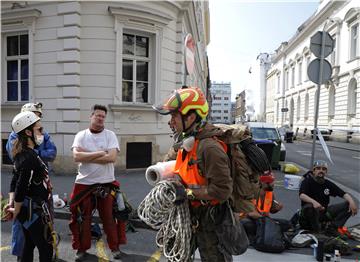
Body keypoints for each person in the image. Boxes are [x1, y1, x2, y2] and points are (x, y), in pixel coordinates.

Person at [153, 86, 234, 261]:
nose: (170, 121)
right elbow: (175, 168)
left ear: (190, 117)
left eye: (174, 116)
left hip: (210, 219)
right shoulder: (184, 141)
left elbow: (222, 191)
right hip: (186, 214)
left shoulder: (210, 148)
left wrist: (188, 193)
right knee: (176, 257)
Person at [69, 104, 126, 262]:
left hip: (106, 183)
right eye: (98, 115)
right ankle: (81, 249)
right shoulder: (81, 135)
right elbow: (76, 157)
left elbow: (112, 158)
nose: (100, 118)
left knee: (109, 217)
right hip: (84, 183)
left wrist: (86, 154)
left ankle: (114, 248)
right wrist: (101, 152)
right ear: (91, 116)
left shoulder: (110, 135)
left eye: (103, 116)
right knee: (82, 218)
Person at [5, 102, 57, 261]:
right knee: (46, 248)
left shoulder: (27, 154)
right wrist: (17, 208)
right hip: (32, 211)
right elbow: (20, 184)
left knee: (28, 246)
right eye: (39, 130)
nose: (43, 133)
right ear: (27, 132)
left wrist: (12, 202)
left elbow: (15, 179)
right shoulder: (29, 157)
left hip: (31, 209)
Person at [299, 160, 358, 234]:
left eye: (323, 169)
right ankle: (316, 230)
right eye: (318, 168)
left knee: (348, 204)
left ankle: (333, 228)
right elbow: (302, 195)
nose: (321, 171)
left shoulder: (328, 184)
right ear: (314, 171)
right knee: (310, 207)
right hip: (309, 214)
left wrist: (352, 202)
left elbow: (343, 194)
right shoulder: (307, 181)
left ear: (326, 172)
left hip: (324, 213)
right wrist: (314, 203)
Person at [241, 171, 291, 244]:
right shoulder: (252, 192)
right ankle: (260, 233)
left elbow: (272, 210)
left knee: (286, 224)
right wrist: (268, 221)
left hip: (263, 221)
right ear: (263, 183)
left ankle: (263, 232)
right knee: (245, 224)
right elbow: (251, 214)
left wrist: (277, 209)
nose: (273, 184)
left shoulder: (270, 193)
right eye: (271, 182)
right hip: (250, 220)